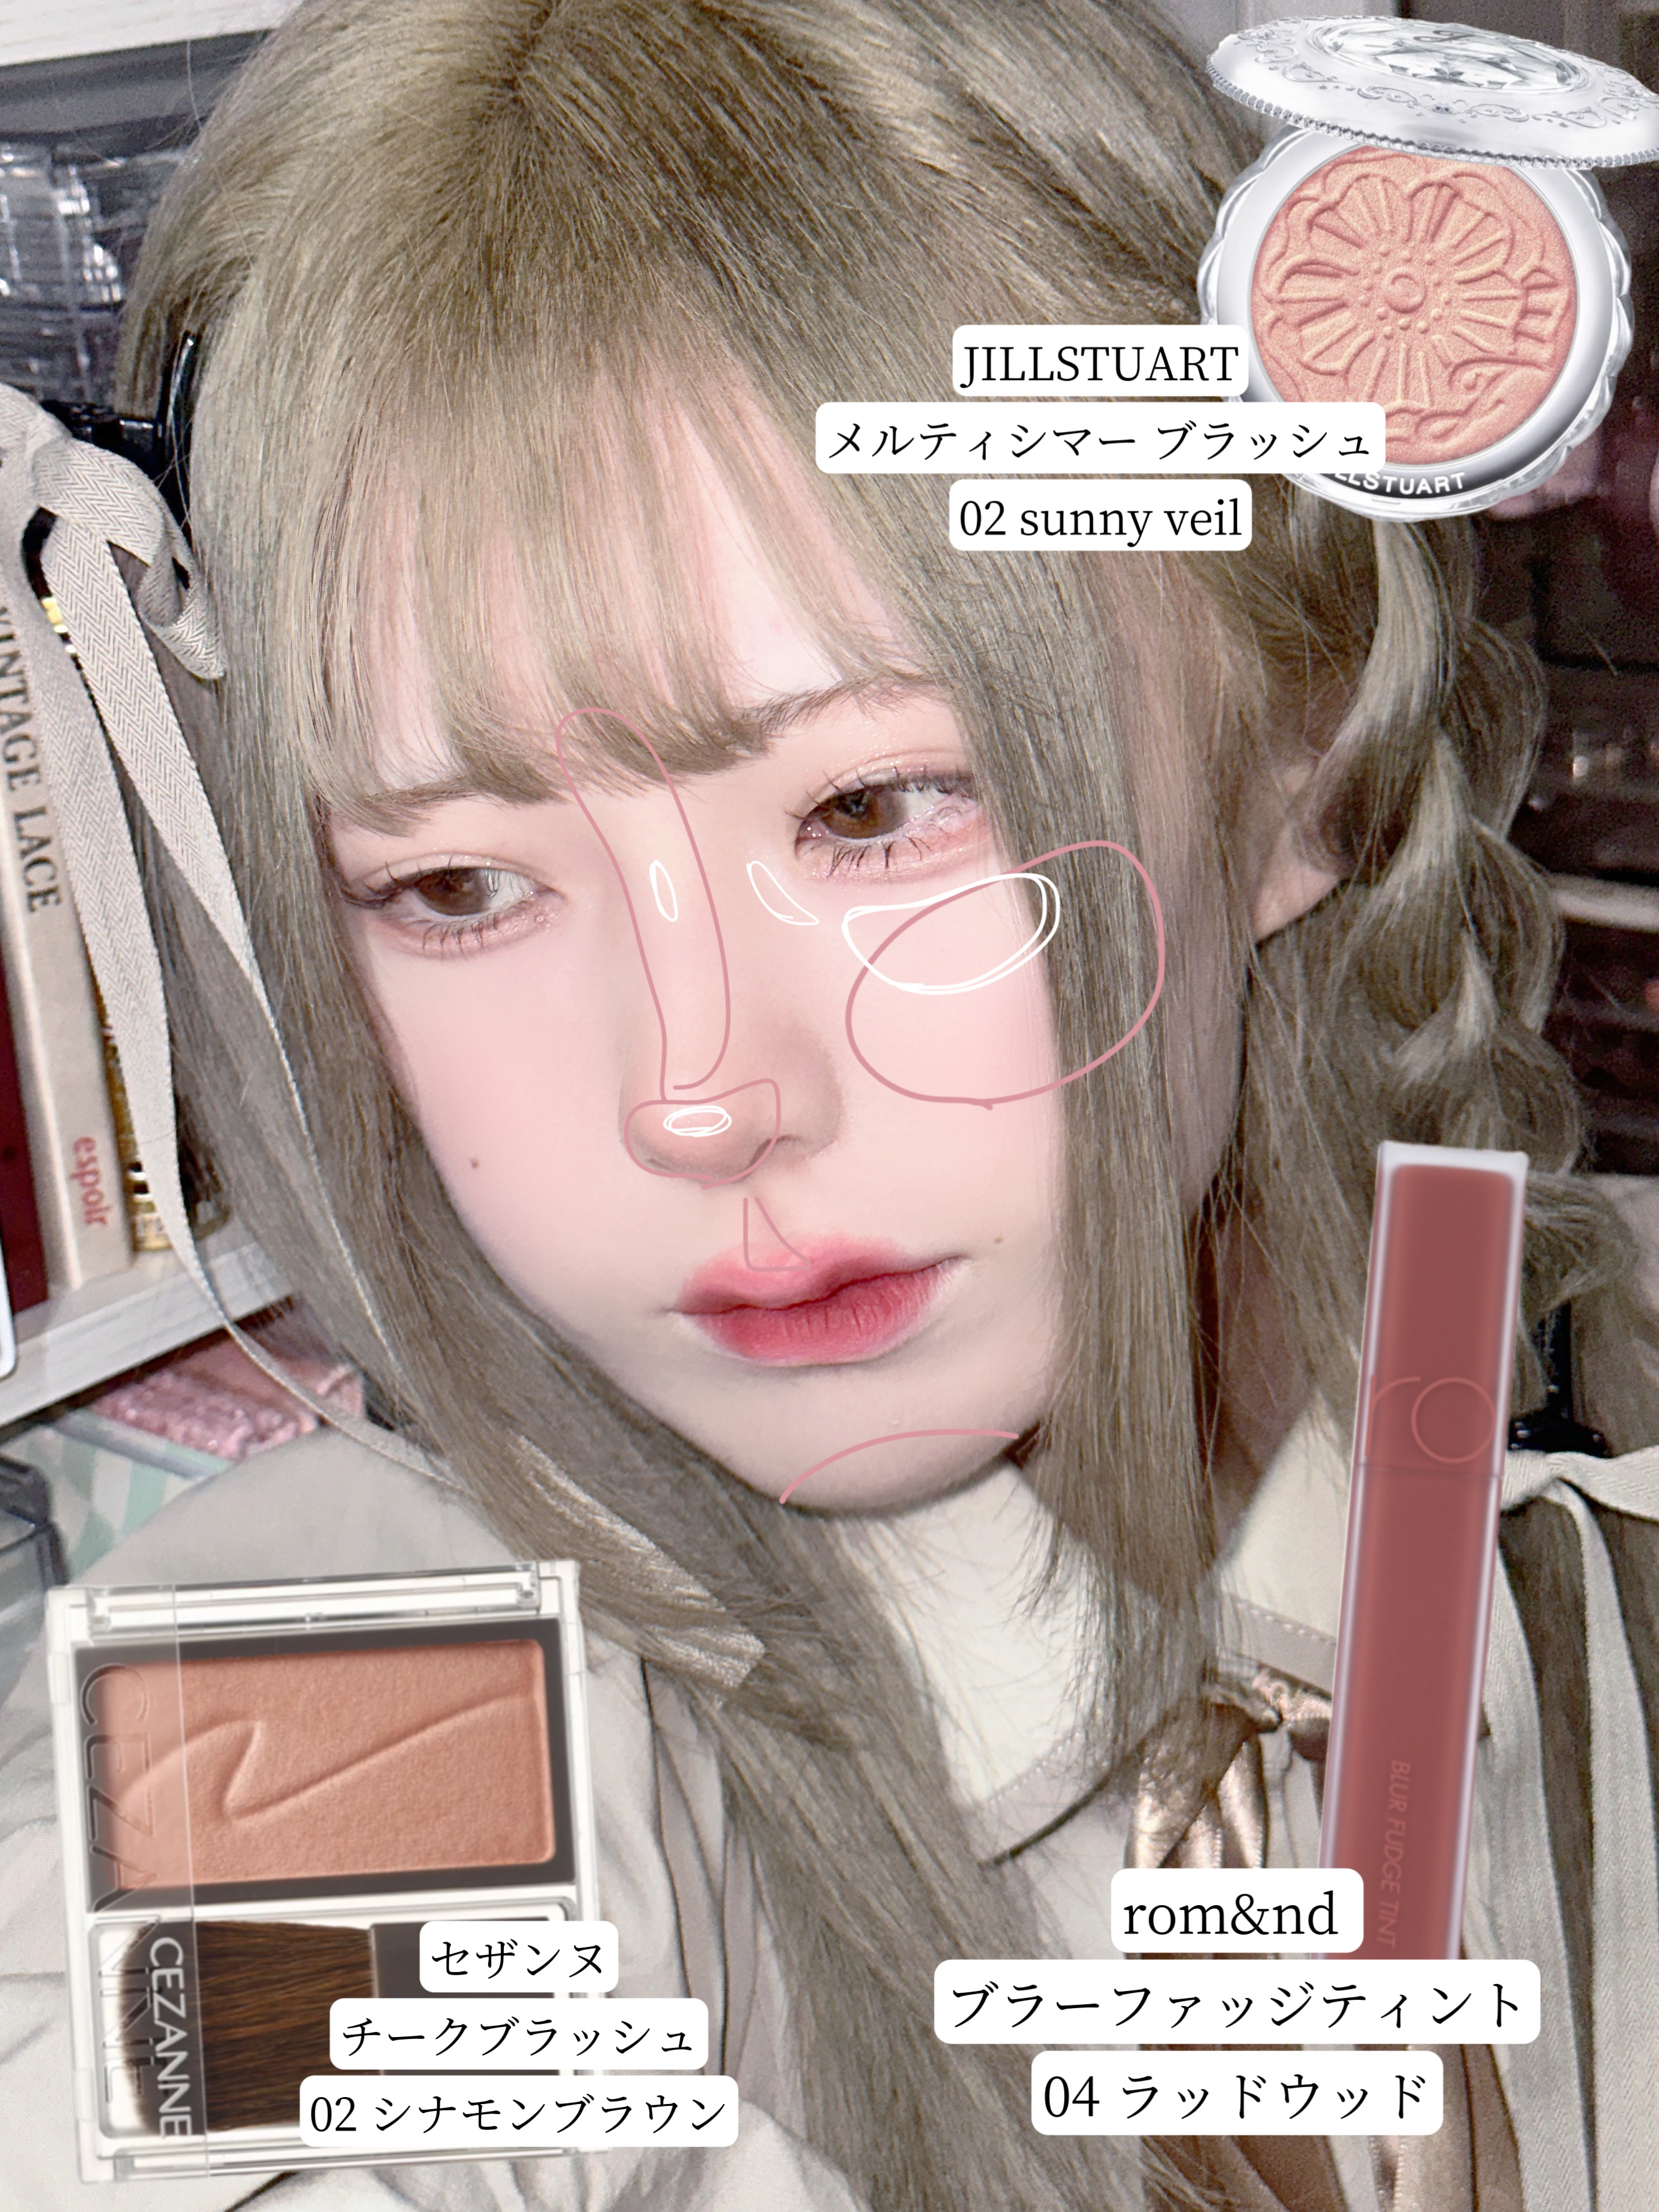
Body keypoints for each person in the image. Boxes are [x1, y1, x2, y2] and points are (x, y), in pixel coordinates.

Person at [1, 2, 1657, 2207]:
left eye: (874, 805)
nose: (699, 1095)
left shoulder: (1529, 1422)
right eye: (456, 883)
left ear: (1299, 757)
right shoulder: (352, 1669)